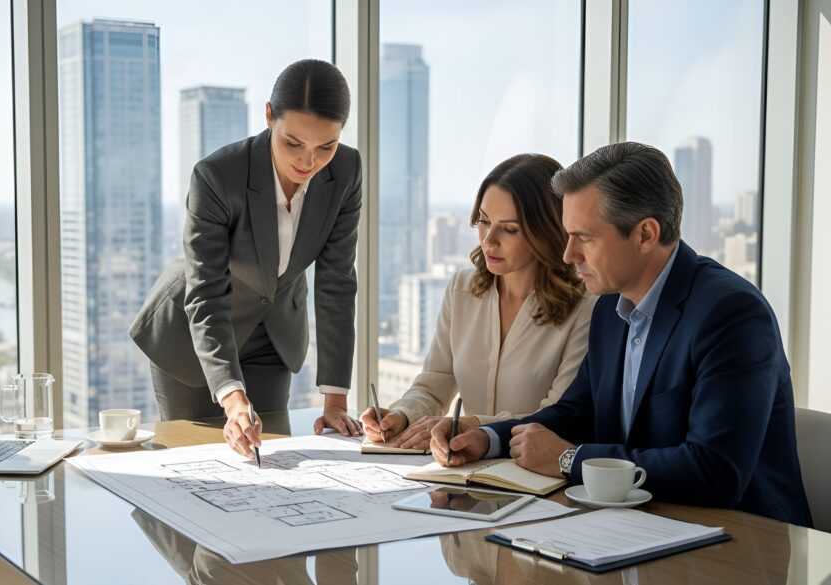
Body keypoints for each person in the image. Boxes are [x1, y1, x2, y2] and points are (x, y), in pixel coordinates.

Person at [430, 142, 813, 527]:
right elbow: (577, 412)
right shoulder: (612, 307)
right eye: (567, 235)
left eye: (585, 238)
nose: (568, 255)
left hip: (741, 541)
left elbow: (715, 471)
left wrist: (569, 460)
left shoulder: (730, 314)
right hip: (634, 526)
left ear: (645, 234)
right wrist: (487, 438)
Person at [129, 60, 363, 458]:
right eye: (293, 143)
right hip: (193, 333)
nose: (308, 162)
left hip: (272, 334)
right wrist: (233, 400)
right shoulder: (217, 176)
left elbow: (337, 284)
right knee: (195, 463)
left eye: (326, 146)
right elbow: (205, 292)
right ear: (269, 115)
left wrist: (336, 402)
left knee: (271, 458)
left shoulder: (346, 170)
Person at [360, 154, 596, 450]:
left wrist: (474, 427)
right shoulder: (462, 288)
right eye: (484, 221)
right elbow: (434, 385)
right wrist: (403, 415)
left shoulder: (586, 305)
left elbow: (558, 415)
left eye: (509, 229)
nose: (489, 240)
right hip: (464, 467)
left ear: (547, 231)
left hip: (535, 475)